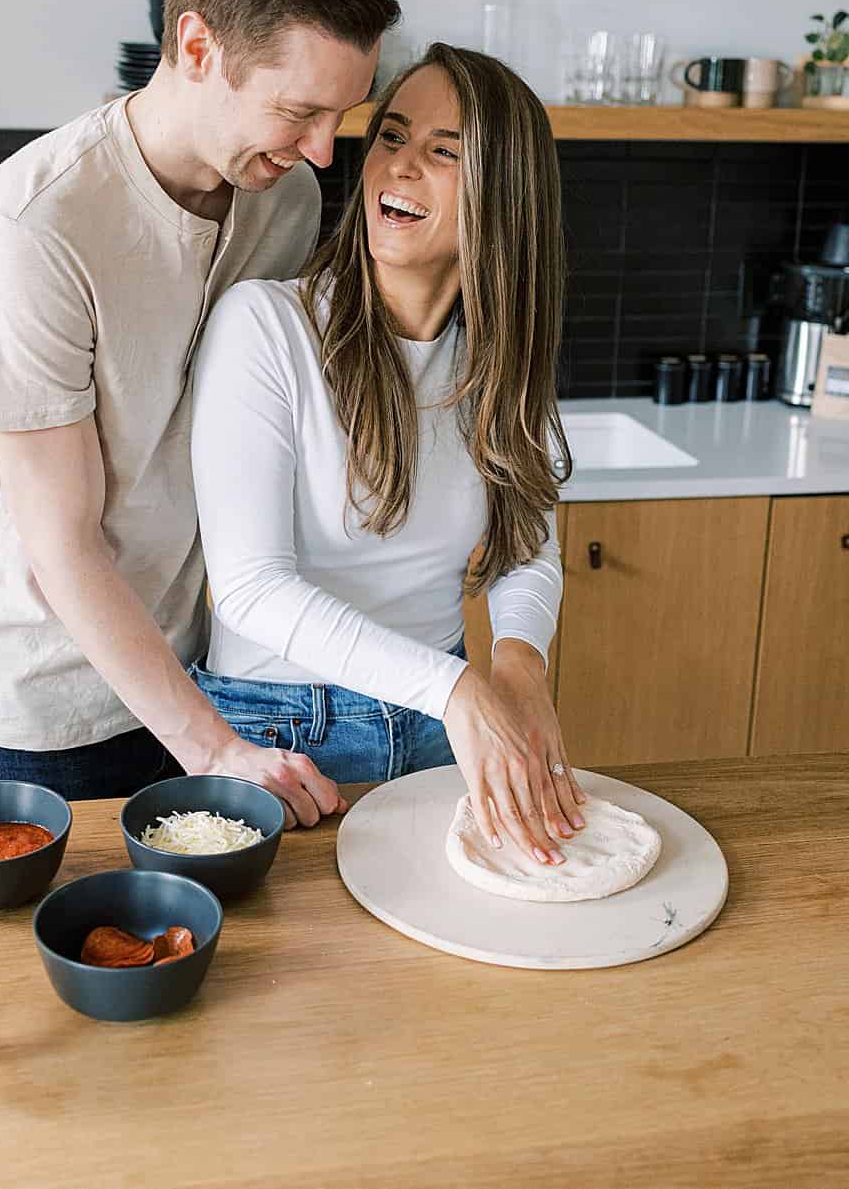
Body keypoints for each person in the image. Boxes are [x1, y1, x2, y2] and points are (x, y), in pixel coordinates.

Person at [0, 0, 397, 815]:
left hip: (186, 681)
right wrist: (212, 746)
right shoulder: (33, 234)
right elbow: (60, 545)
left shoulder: (283, 196)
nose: (326, 151)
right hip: (33, 717)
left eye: (342, 114)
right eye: (298, 112)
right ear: (196, 47)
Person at [190, 43, 584, 864]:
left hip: (445, 726)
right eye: (392, 138)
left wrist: (518, 665)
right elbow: (251, 588)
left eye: (443, 152)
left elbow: (528, 548)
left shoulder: (499, 363)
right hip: (282, 737)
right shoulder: (266, 327)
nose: (399, 168)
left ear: (501, 198)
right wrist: (461, 690)